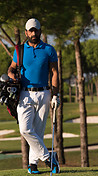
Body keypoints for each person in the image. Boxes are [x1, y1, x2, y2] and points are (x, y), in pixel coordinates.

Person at [7, 18, 61, 174]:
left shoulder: (49, 50)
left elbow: (55, 73)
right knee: (25, 129)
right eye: (30, 30)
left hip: (44, 93)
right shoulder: (20, 50)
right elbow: (11, 68)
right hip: (25, 94)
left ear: (40, 31)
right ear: (26, 32)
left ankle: (32, 165)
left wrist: (55, 95)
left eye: (36, 30)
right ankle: (49, 159)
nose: (33, 33)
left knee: (38, 131)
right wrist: (12, 75)